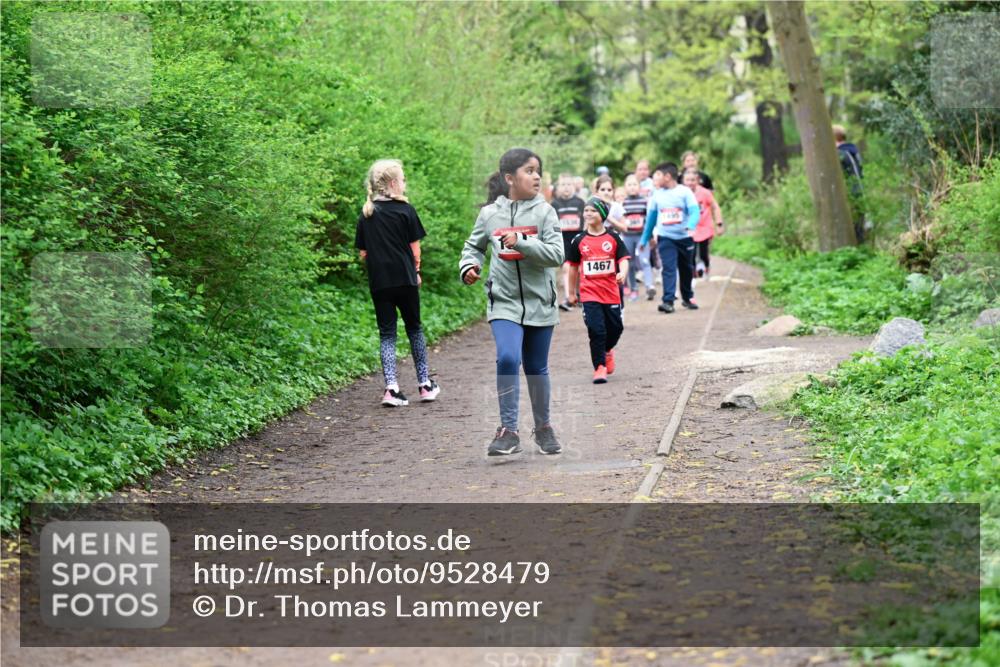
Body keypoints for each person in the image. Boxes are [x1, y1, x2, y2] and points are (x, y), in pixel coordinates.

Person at [459, 148, 565, 457]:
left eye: (538, 171)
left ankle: (544, 427)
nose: (536, 176)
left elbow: (557, 255)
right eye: (529, 171)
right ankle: (508, 430)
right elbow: (473, 246)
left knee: (535, 367)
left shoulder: (546, 213)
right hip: (503, 301)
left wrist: (522, 242)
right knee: (507, 358)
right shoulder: (490, 214)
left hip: (540, 302)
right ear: (510, 178)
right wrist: (469, 266)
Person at [355, 159, 440, 407]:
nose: (405, 184)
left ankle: (391, 388)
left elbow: (363, 253)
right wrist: (417, 270)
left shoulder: (367, 214)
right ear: (393, 183)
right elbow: (415, 250)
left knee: (387, 334)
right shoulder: (406, 211)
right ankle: (424, 385)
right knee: (414, 328)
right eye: (403, 180)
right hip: (405, 279)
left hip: (380, 282)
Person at [567, 198, 630, 384]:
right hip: (589, 293)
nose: (587, 214)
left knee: (616, 328)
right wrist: (571, 293)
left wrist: (623, 273)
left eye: (592, 211)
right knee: (596, 330)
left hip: (610, 292)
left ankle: (608, 350)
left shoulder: (613, 238)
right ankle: (599, 367)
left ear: (602, 215)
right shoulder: (579, 240)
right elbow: (572, 267)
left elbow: (624, 259)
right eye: (585, 210)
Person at [639, 162, 700, 314]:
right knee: (669, 268)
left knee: (686, 269)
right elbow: (651, 220)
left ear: (667, 176)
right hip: (665, 238)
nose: (655, 179)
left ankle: (687, 297)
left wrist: (691, 225)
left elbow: (694, 211)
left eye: (658, 175)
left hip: (685, 238)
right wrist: (644, 239)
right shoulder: (656, 195)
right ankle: (668, 301)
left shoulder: (684, 192)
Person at [550, 173, 587, 311]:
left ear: (574, 186)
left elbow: (585, 221)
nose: (566, 187)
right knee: (567, 268)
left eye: (569, 184)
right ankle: (568, 297)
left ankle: (578, 294)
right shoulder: (554, 204)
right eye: (563, 184)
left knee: (577, 270)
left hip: (577, 240)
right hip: (561, 241)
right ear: (558, 187)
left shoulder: (580, 202)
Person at [682, 168, 724, 278]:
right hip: (689, 228)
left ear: (697, 180)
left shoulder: (705, 193)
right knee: (691, 251)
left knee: (703, 252)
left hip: (705, 227)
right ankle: (694, 271)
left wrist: (719, 224)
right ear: (683, 181)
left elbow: (715, 207)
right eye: (688, 180)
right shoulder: (680, 193)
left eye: (693, 180)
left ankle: (706, 265)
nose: (690, 183)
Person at [621, 174, 654, 301]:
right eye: (629, 185)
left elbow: (649, 220)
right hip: (628, 236)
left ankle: (649, 286)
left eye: (635, 184)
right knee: (630, 263)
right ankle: (633, 289)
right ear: (625, 188)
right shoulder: (623, 202)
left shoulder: (644, 201)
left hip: (642, 236)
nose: (632, 187)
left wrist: (650, 237)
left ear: (639, 187)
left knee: (645, 261)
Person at [833, 124, 866, 243]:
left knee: (853, 229)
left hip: (850, 194)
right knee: (859, 229)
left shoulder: (840, 154)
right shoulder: (853, 151)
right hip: (860, 193)